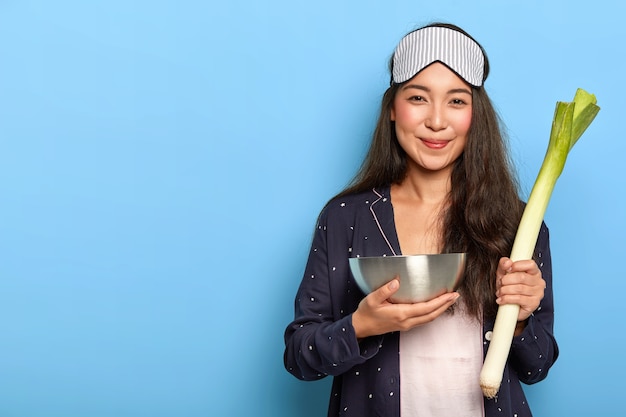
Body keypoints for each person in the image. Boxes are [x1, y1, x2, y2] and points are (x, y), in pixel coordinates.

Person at [283, 22, 558, 417]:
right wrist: (361, 325)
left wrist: (519, 319)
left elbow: (538, 366)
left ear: (475, 116)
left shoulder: (518, 224)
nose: (436, 121)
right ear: (393, 109)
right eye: (418, 97)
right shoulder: (346, 218)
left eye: (457, 101)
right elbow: (299, 356)